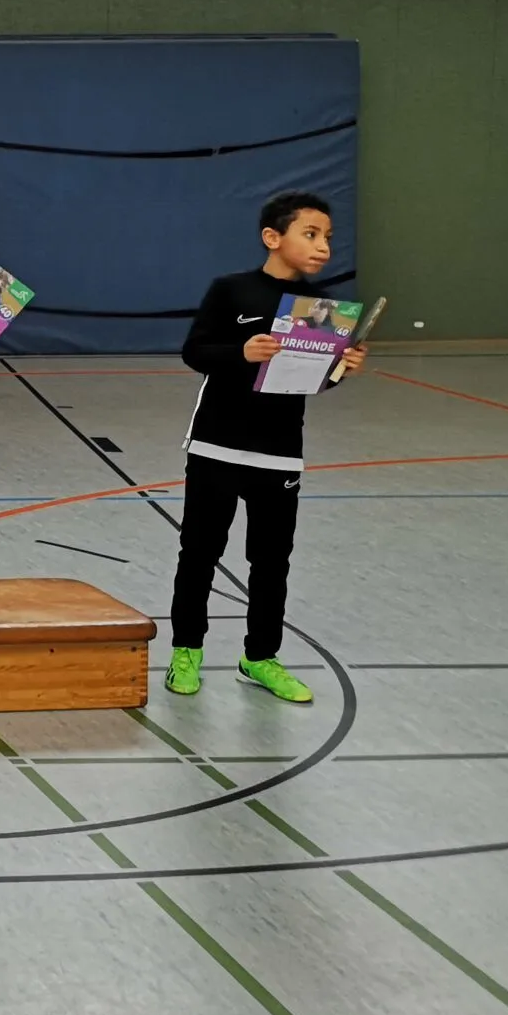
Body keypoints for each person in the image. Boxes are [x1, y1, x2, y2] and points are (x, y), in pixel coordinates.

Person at [166, 189, 368, 702]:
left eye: (328, 237)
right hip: (216, 445)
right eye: (311, 234)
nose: (323, 247)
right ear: (272, 237)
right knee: (200, 553)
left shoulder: (320, 310)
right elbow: (195, 351)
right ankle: (186, 651)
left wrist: (340, 370)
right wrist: (241, 352)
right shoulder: (231, 290)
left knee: (272, 560)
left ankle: (260, 657)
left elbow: (312, 381)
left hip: (279, 450)